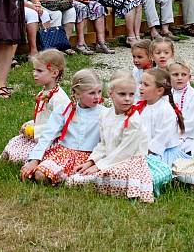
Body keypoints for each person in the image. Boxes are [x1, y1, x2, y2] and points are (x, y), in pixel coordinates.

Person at [67, 71, 158, 203]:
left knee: (107, 174)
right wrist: (91, 161)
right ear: (110, 94)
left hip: (129, 160)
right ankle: (90, 180)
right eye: (122, 94)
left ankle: (103, 183)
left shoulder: (133, 120)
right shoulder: (105, 115)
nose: (127, 98)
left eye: (131, 94)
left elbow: (125, 151)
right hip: (110, 158)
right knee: (77, 178)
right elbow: (103, 144)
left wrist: (99, 166)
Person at [20, 69, 103, 184]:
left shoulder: (105, 113)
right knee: (40, 174)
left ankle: (70, 178)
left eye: (99, 92)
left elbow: (106, 143)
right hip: (64, 154)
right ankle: (62, 175)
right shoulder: (64, 110)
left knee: (88, 179)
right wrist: (35, 159)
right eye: (92, 93)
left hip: (89, 158)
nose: (97, 97)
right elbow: (48, 135)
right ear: (77, 93)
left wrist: (94, 161)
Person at [1, 50, 70, 163]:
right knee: (16, 142)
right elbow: (43, 117)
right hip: (39, 133)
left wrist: (35, 131)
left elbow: (59, 125)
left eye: (39, 70)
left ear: (54, 73)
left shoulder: (59, 98)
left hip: (51, 138)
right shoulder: (44, 92)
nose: (34, 73)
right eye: (34, 70)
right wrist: (31, 124)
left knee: (24, 154)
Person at [137, 67, 187, 166]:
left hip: (163, 153)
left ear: (159, 90)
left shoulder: (165, 109)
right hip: (145, 150)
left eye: (146, 85)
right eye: (141, 83)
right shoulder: (144, 106)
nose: (140, 87)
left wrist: (147, 153)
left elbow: (162, 138)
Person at [168, 58, 194, 154]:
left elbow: (192, 121)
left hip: (186, 133)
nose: (180, 78)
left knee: (183, 146)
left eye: (183, 75)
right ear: (168, 77)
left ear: (189, 77)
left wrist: (175, 132)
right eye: (175, 75)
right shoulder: (165, 93)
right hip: (167, 131)